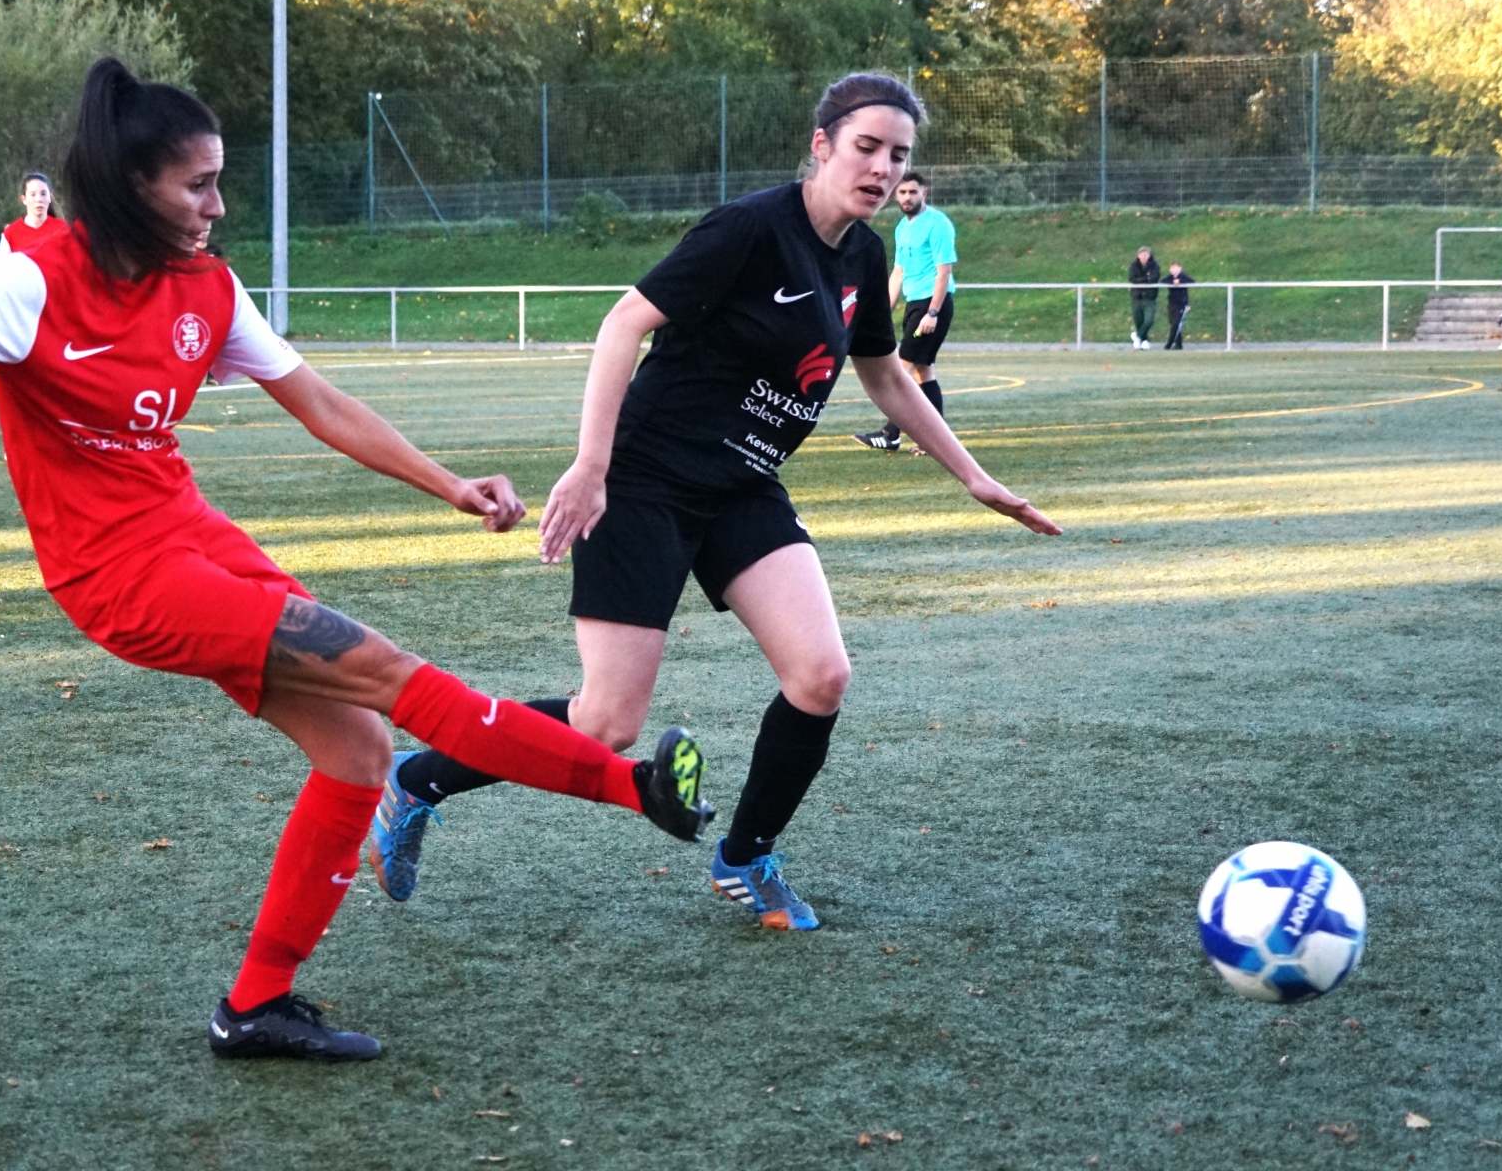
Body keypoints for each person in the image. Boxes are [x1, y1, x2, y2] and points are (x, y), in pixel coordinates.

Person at [0, 59, 713, 1064]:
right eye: (198, 185)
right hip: (118, 577)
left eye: (219, 181)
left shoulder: (208, 289)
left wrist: (449, 484)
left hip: (195, 538)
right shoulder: (40, 277)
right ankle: (634, 788)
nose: (218, 205)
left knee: (357, 749)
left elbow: (321, 403)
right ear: (134, 185)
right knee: (390, 673)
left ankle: (255, 1005)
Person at [368, 73, 1060, 931]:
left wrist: (974, 477)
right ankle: (416, 780)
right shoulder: (749, 229)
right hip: (647, 481)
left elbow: (883, 374)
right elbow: (623, 323)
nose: (883, 169)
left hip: (744, 486)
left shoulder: (861, 255)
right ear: (821, 146)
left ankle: (744, 857)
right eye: (867, 148)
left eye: (899, 155)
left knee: (821, 676)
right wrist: (591, 466)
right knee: (606, 723)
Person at [853, 171, 956, 453]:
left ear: (924, 193)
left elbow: (944, 272)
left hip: (932, 305)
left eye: (912, 192)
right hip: (914, 304)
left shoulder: (938, 224)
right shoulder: (902, 227)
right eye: (902, 193)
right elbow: (898, 273)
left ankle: (891, 433)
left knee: (900, 371)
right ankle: (936, 442)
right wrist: (881, 312)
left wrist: (932, 313)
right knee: (924, 372)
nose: (907, 198)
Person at [0, 171, 70, 258]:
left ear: (50, 197)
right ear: (24, 199)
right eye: (33, 194)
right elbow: (1, 264)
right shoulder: (10, 233)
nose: (38, 199)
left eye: (43, 194)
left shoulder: (65, 229)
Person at [1128, 247, 1160, 349]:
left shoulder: (1154, 266)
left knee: (1149, 320)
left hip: (1149, 297)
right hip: (1136, 297)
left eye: (1146, 255)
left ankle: (1137, 336)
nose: (1144, 257)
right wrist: (1143, 280)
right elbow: (1132, 278)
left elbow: (1154, 278)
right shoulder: (1133, 265)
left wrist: (1142, 281)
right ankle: (1144, 341)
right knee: (1138, 321)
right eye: (1142, 255)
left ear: (1149, 255)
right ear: (1138, 256)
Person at [1163, 261, 1194, 350]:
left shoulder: (1183, 276)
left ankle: (1169, 344)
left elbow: (1192, 281)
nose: (1173, 270)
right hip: (1171, 303)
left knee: (1176, 323)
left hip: (1181, 304)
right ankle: (1178, 344)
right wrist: (1172, 282)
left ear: (1180, 268)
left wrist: (1180, 282)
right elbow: (1163, 281)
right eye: (1172, 268)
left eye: (1175, 268)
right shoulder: (1170, 277)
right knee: (1172, 322)